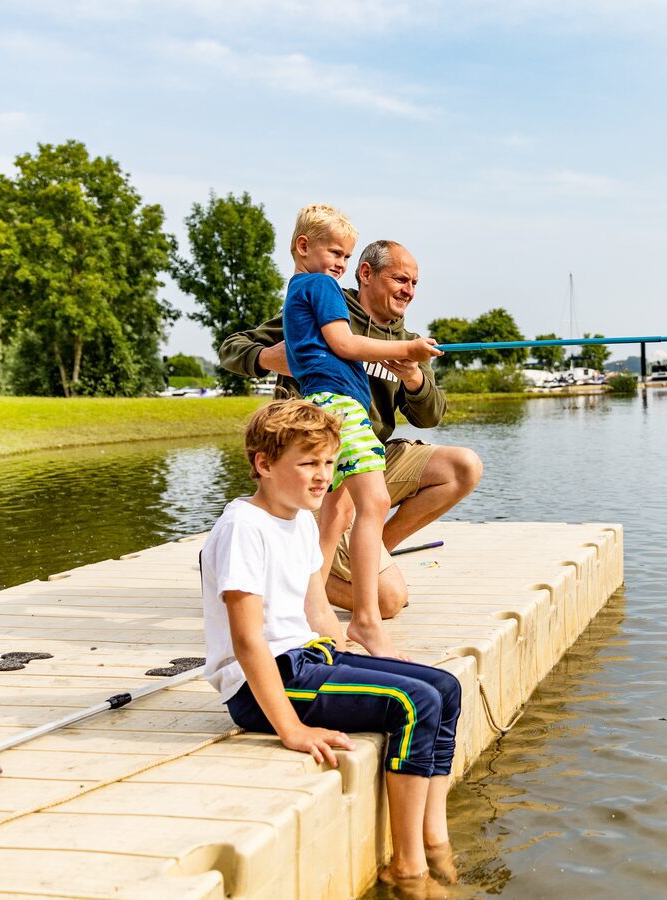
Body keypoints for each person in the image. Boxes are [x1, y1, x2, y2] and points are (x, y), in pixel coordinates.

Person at [202, 399, 460, 893]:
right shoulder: (242, 527)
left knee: (444, 687)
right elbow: (247, 638)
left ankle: (434, 837)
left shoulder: (300, 518)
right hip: (263, 686)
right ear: (263, 464)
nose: (323, 477)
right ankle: (407, 866)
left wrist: (365, 659)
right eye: (308, 464)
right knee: (414, 702)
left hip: (307, 660)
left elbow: (316, 609)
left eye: (328, 463)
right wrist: (292, 729)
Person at [220, 239, 482, 620]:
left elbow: (431, 417)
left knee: (464, 466)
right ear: (366, 274)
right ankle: (297, 577)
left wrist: (413, 379)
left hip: (369, 458)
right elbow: (232, 348)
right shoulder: (322, 305)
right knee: (389, 601)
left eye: (414, 283)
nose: (408, 290)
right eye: (400, 279)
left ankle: (372, 550)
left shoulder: (409, 343)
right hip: (316, 468)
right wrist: (270, 357)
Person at [281, 204, 441, 658]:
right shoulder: (323, 287)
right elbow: (345, 343)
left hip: (321, 402)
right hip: (340, 403)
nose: (341, 265)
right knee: (373, 503)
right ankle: (367, 623)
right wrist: (407, 346)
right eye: (335, 252)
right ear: (303, 246)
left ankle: (313, 613)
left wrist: (406, 367)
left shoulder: (299, 287)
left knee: (335, 516)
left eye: (346, 257)